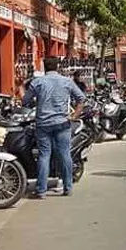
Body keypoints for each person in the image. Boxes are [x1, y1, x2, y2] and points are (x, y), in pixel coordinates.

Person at [22, 56, 86, 199]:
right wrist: (75, 115)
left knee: (44, 155)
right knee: (64, 154)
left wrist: (25, 92)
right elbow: (81, 98)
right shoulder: (67, 81)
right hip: (62, 123)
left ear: (44, 67)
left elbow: (25, 101)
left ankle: (41, 191)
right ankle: (68, 188)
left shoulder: (37, 82)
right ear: (57, 67)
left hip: (43, 124)